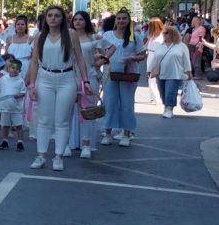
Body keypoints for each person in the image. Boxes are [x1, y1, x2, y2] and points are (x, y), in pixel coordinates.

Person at [26, 5, 93, 171]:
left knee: (62, 120)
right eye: (50, 15)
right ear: (46, 18)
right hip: (45, 78)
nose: (53, 18)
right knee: (43, 119)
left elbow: (79, 59)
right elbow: (34, 62)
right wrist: (32, 85)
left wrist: (85, 81)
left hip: (66, 78)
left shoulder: (70, 34)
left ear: (63, 18)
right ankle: (41, 156)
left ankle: (58, 157)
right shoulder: (40, 36)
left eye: (57, 15)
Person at [101, 9, 147, 146]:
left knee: (127, 104)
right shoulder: (107, 35)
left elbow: (143, 55)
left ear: (129, 21)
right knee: (109, 103)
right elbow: (99, 52)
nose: (121, 21)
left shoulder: (135, 36)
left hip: (128, 74)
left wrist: (132, 57)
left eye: (124, 18)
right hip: (110, 73)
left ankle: (126, 134)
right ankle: (107, 132)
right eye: (119, 18)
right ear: (115, 20)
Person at [69, 11, 106, 158]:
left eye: (81, 19)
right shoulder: (67, 37)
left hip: (89, 76)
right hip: (69, 76)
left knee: (88, 111)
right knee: (68, 111)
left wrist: (100, 61)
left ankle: (86, 144)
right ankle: (67, 143)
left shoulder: (94, 37)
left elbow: (109, 49)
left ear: (86, 21)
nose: (78, 22)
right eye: (75, 19)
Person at [151, 26, 192, 118]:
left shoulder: (181, 46)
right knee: (162, 92)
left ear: (172, 34)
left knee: (171, 91)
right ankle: (166, 106)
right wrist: (149, 70)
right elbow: (154, 59)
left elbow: (186, 60)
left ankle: (169, 109)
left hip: (175, 72)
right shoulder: (160, 45)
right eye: (163, 33)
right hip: (161, 72)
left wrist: (189, 72)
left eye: (166, 33)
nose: (164, 35)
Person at [0, 58, 26, 151]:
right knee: (5, 125)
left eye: (17, 68)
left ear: (20, 70)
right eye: (13, 67)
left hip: (16, 108)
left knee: (19, 125)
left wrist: (20, 94)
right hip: (5, 107)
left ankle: (20, 142)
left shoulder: (20, 81)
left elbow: (23, 91)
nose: (14, 70)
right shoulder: (3, 79)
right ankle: (5, 141)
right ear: (9, 68)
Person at [144, 17, 166, 105]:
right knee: (150, 77)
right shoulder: (152, 36)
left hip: (157, 56)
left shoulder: (162, 36)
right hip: (150, 55)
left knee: (152, 77)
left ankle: (157, 98)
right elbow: (145, 46)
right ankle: (153, 97)